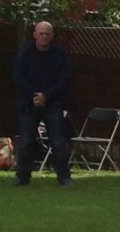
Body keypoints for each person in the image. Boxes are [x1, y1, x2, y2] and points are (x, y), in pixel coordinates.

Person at [13, 20, 74, 186]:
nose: (44, 37)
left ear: (52, 36)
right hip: (29, 102)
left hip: (53, 102)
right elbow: (19, 77)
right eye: (41, 33)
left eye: (47, 34)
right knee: (26, 141)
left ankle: (64, 177)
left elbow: (64, 79)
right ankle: (23, 177)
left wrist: (46, 95)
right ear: (35, 35)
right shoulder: (25, 55)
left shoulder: (59, 55)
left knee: (58, 141)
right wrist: (35, 95)